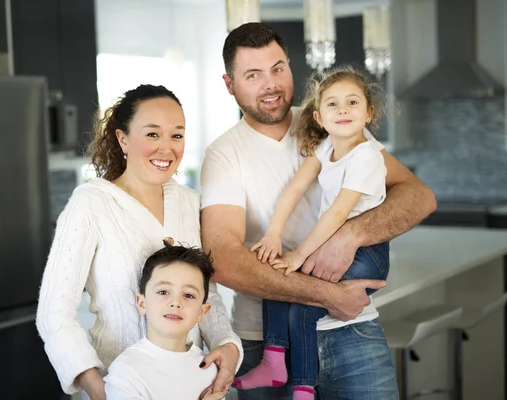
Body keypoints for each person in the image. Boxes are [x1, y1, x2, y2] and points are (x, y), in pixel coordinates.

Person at [200, 23, 436, 400]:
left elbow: (419, 196)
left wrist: (350, 236)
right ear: (230, 84)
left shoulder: (333, 119)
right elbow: (223, 260)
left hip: (353, 329)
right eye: (253, 75)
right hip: (266, 340)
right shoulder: (224, 154)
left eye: (278, 68)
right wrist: (326, 294)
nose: (271, 84)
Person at [36, 84, 242, 400]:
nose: (167, 148)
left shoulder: (188, 201)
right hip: (120, 387)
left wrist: (227, 344)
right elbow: (54, 314)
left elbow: (205, 292)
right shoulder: (90, 204)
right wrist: (98, 388)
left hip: (191, 384)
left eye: (177, 135)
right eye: (152, 134)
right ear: (123, 139)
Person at [232, 66, 390, 400]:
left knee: (303, 302)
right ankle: (274, 360)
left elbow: (337, 213)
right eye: (332, 104)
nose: (343, 109)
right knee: (276, 275)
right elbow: (294, 189)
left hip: (367, 254)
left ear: (369, 112)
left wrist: (299, 254)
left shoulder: (368, 157)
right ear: (318, 117)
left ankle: (303, 385)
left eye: (352, 102)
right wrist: (273, 235)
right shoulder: (326, 148)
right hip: (334, 243)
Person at [104, 243, 229, 400]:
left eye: (189, 295)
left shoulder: (209, 369)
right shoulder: (126, 371)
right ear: (142, 303)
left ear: (201, 312)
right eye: (163, 292)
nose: (176, 302)